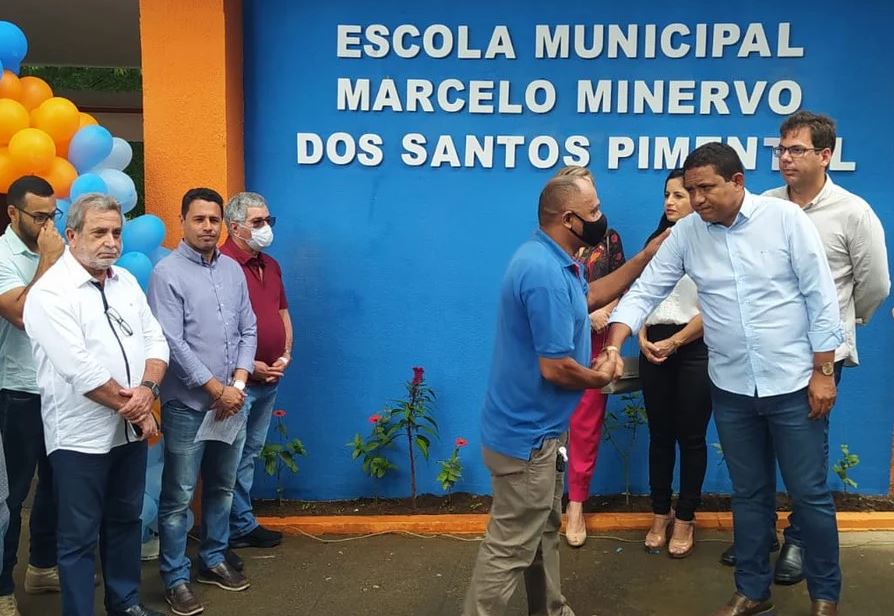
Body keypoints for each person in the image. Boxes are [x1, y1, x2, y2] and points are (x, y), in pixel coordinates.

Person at [603, 142, 843, 616]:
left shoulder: (785, 221)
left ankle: (825, 596)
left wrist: (823, 371)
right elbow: (646, 289)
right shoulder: (688, 235)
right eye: (690, 190)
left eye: (705, 187)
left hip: (794, 384)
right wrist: (615, 343)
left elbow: (821, 299)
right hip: (731, 388)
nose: (696, 199)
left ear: (737, 182)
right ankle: (753, 590)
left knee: (809, 495)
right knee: (748, 493)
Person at [462, 173, 668, 616]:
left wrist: (647, 258)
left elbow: (590, 296)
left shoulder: (555, 260)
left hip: (538, 435)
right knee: (510, 547)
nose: (601, 218)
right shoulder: (544, 273)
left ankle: (551, 610)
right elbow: (555, 368)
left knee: (542, 532)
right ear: (569, 218)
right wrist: (602, 376)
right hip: (527, 441)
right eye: (593, 211)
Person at [718, 112, 890, 583]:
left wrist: (842, 327)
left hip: (819, 359)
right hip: (763, 354)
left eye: (796, 150)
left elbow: (874, 284)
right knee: (758, 454)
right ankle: (759, 538)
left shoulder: (852, 212)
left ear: (825, 155)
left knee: (804, 462)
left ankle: (797, 541)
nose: (785, 158)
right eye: (781, 149)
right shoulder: (765, 206)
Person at [23, 193, 168, 616]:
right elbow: (79, 369)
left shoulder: (124, 283)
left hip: (128, 431)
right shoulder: (50, 293)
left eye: (117, 232)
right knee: (79, 537)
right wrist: (141, 406)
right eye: (99, 232)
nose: (111, 242)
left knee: (126, 522)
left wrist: (147, 390)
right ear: (71, 235)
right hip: (78, 438)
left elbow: (156, 341)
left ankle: (125, 604)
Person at [148, 187, 257, 616]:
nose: (208, 227)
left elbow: (248, 329)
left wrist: (240, 383)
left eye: (214, 219)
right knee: (177, 498)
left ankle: (213, 557)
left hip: (233, 401)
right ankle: (175, 578)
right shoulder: (167, 273)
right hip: (189, 407)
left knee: (223, 487)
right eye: (199, 219)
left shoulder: (232, 270)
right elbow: (171, 342)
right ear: (183, 221)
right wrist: (215, 389)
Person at [637, 169, 711, 558]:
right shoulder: (655, 243)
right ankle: (659, 514)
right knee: (660, 435)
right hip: (653, 347)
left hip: (695, 347)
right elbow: (641, 295)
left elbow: (714, 308)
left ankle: (685, 517)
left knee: (692, 436)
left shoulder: (710, 243)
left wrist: (677, 340)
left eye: (680, 195)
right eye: (668, 194)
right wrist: (641, 336)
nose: (671, 202)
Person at [552, 167, 626, 548]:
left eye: (595, 201)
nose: (594, 211)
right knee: (551, 425)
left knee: (585, 427)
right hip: (557, 342)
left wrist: (605, 311)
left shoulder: (610, 241)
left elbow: (622, 285)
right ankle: (547, 502)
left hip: (595, 345)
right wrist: (583, 312)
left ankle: (576, 504)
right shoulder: (550, 245)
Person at [0, 176, 64, 614]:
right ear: (12, 213)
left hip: (59, 389)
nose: (46, 224)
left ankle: (41, 566)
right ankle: (3, 587)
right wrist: (48, 261)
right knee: (11, 496)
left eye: (52, 215)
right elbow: (24, 313)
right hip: (17, 390)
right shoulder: (4, 255)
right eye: (38, 216)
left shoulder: (57, 248)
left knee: (58, 486)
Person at [220, 192, 292, 550]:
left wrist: (286, 352)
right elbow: (219, 327)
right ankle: (229, 530)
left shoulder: (271, 264)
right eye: (258, 222)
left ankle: (242, 523)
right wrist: (247, 367)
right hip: (239, 381)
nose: (266, 228)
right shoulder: (221, 265)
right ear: (235, 227)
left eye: (268, 221)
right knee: (230, 455)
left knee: (250, 452)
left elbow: (281, 312)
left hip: (271, 377)